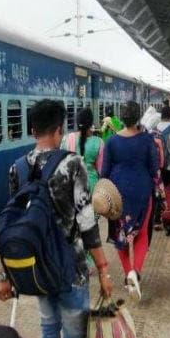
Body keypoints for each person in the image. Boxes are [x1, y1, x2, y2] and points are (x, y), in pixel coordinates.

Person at [0, 99, 113, 338]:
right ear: (60, 129)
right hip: (71, 269)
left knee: (49, 329)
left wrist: (5, 275)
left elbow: (12, 223)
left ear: (32, 130)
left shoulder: (17, 168)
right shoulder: (72, 164)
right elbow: (86, 222)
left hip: (37, 268)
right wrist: (103, 268)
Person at [102, 101, 160, 301]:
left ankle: (128, 274)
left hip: (117, 193)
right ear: (138, 118)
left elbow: (104, 172)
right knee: (141, 233)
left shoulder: (111, 141)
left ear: (122, 118)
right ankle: (136, 272)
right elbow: (154, 168)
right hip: (142, 191)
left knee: (121, 234)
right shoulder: (147, 140)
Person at [61, 108, 105, 270]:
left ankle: (72, 258)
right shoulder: (99, 143)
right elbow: (101, 169)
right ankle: (88, 261)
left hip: (70, 186)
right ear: (91, 123)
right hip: (91, 186)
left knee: (72, 223)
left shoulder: (67, 139)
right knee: (90, 224)